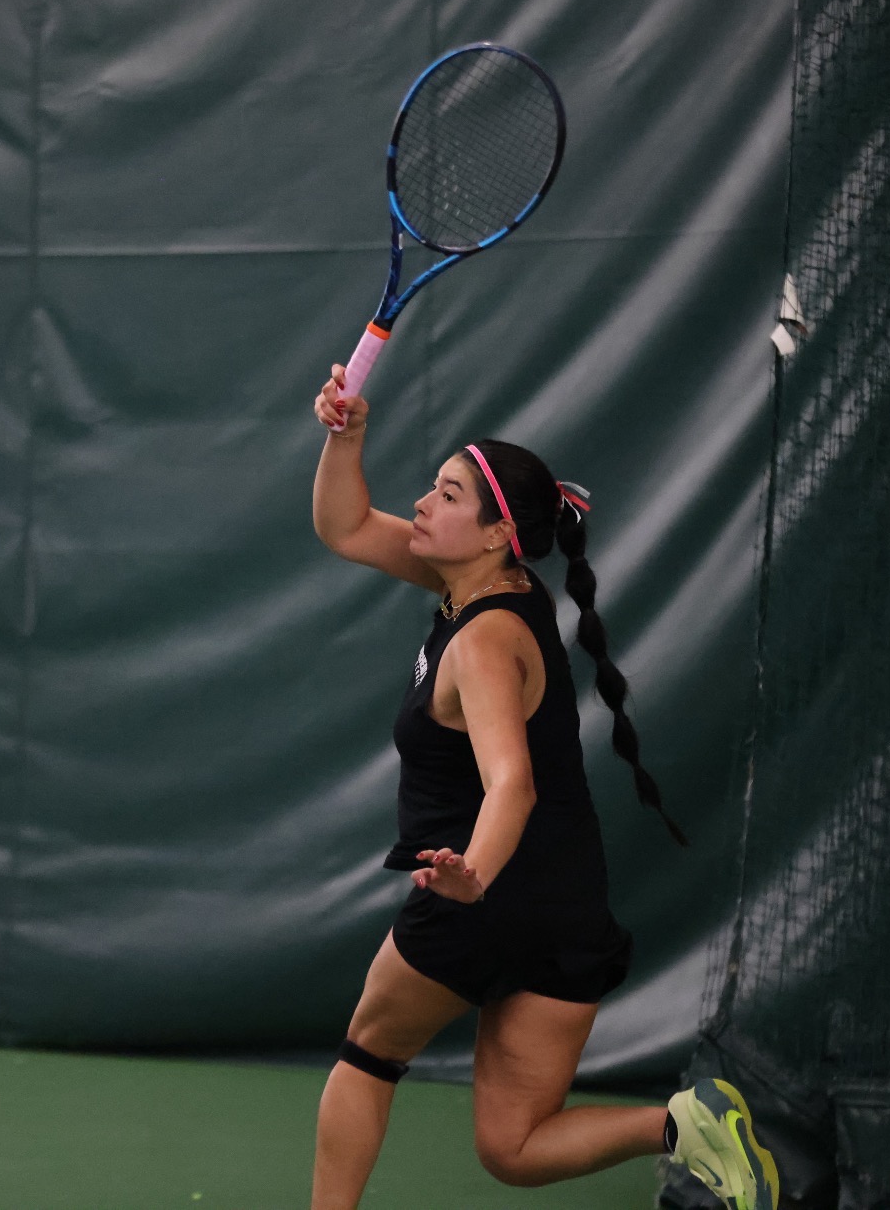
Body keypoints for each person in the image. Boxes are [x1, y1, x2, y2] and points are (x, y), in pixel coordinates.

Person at [307, 365, 778, 1210]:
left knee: (370, 1054)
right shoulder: (493, 587)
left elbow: (511, 784)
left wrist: (472, 876)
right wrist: (346, 434)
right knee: (512, 1145)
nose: (421, 502)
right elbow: (343, 525)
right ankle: (685, 1123)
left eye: (447, 494)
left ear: (494, 533)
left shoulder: (483, 642)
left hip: (480, 889)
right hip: (565, 903)